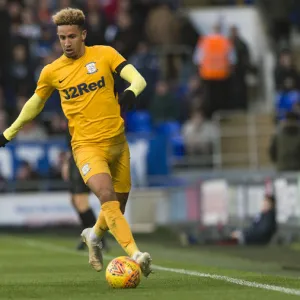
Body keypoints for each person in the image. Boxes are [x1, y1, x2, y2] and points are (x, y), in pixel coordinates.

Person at [0, 7, 152, 277]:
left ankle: (93, 235)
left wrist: (131, 92)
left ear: (83, 34)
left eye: (71, 36)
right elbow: (35, 103)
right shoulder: (52, 71)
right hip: (86, 147)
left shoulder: (105, 54)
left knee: (118, 205)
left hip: (118, 144)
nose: (66, 43)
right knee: (106, 196)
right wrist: (8, 133)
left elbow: (138, 78)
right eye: (61, 38)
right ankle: (136, 255)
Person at [61, 133, 109, 251]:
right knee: (74, 200)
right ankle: (90, 236)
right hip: (75, 155)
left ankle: (98, 238)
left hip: (84, 156)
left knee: (81, 201)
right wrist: (68, 160)